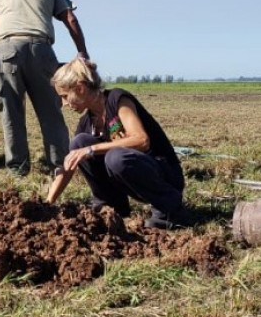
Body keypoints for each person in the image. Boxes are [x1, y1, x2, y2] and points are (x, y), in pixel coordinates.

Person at [45, 58, 187, 229]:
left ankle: (168, 209)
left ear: (80, 88)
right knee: (79, 143)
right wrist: (47, 203)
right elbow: (70, 164)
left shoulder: (117, 99)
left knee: (115, 157)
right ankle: (111, 207)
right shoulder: (87, 122)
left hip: (163, 173)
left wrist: (92, 149)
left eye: (65, 96)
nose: (64, 104)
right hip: (132, 179)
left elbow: (141, 140)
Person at [0, 0, 89, 176]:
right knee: (50, 111)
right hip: (40, 48)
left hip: (6, 47)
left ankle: (17, 169)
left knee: (11, 113)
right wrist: (82, 52)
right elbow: (70, 19)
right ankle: (60, 166)